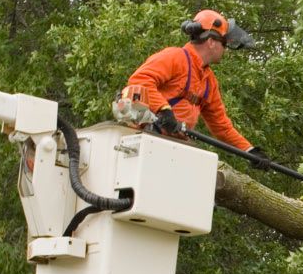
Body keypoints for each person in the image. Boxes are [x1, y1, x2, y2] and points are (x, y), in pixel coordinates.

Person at [114, 9, 271, 168]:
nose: (225, 49)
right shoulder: (175, 57)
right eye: (224, 44)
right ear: (211, 42)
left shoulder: (209, 81)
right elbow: (140, 80)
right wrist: (164, 110)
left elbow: (221, 125)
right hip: (147, 138)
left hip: (175, 145)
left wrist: (249, 151)